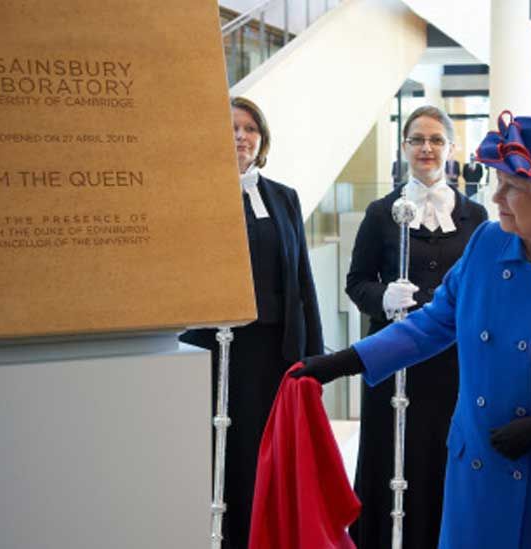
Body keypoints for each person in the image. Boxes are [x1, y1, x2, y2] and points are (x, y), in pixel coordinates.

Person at [294, 112, 531, 549]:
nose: (497, 195)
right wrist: (349, 360)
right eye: (497, 181)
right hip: (477, 468)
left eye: (512, 187)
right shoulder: (487, 242)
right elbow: (434, 321)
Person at [179, 96, 323, 549]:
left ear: (261, 140)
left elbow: (301, 276)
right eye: (232, 127)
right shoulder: (195, 192)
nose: (241, 136)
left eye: (250, 129)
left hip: (269, 353)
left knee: (263, 456)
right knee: (217, 452)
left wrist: (314, 355)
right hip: (213, 347)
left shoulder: (283, 197)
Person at [345, 105, 488, 549]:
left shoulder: (477, 217)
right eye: (417, 140)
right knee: (390, 459)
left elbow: (484, 288)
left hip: (453, 365)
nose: (426, 148)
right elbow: (357, 283)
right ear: (405, 147)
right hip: (394, 361)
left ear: (450, 147)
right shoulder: (379, 212)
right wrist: (383, 299)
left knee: (443, 457)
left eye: (436, 140)